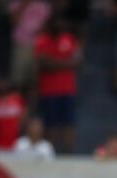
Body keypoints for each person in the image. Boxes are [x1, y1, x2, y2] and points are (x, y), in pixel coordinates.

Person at [34, 17, 81, 153]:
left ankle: (69, 153)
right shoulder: (42, 40)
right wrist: (65, 63)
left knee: (69, 124)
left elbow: (77, 61)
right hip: (49, 90)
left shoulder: (69, 39)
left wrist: (55, 63)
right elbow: (42, 63)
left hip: (67, 90)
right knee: (50, 124)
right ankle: (47, 153)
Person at [9, 0, 51, 102]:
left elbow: (47, 25)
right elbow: (14, 21)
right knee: (18, 81)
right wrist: (24, 5)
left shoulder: (43, 6)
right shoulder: (15, 4)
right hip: (21, 44)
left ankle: (30, 112)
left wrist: (40, 31)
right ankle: (16, 107)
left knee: (34, 82)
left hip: (39, 45)